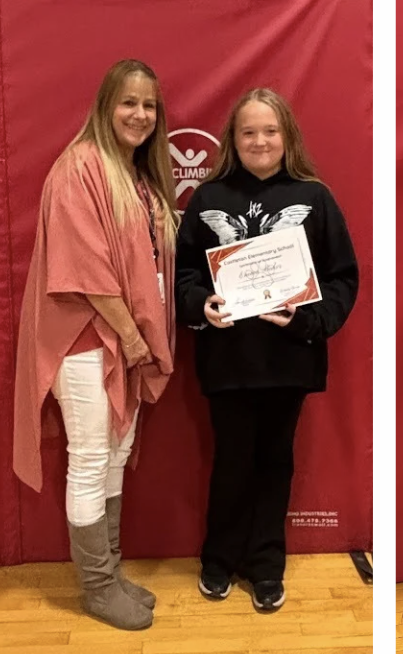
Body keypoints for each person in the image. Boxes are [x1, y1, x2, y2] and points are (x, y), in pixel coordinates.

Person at [174, 88, 358, 612]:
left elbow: (344, 278)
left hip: (288, 360)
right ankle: (218, 559)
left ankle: (266, 565)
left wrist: (309, 320)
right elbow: (186, 272)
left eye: (270, 131)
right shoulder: (209, 198)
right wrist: (199, 303)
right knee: (231, 461)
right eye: (249, 131)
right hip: (227, 360)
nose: (260, 141)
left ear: (287, 137)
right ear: (233, 138)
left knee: (275, 463)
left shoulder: (314, 197)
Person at [13, 59, 178, 630]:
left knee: (115, 456)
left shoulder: (134, 174)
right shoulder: (78, 168)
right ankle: (97, 587)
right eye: (128, 102)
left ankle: (110, 569)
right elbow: (82, 268)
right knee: (89, 462)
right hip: (84, 342)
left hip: (123, 342)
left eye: (150, 105)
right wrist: (132, 335)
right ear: (106, 105)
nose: (140, 114)